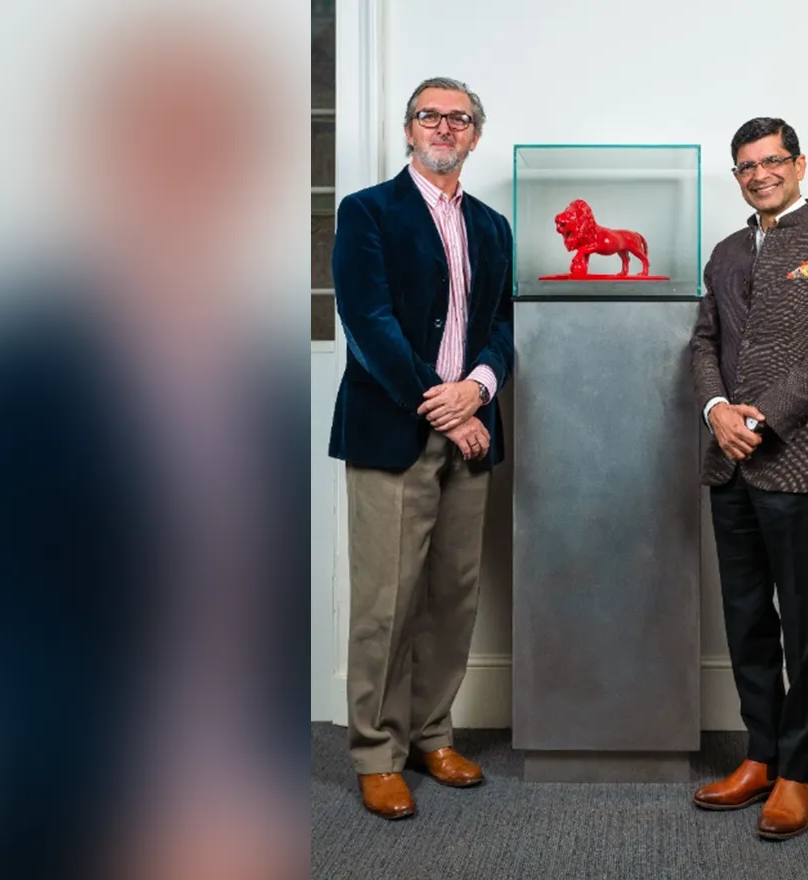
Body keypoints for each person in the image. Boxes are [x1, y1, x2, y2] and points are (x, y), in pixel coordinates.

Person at [327, 76, 514, 821]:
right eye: (429, 116)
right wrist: (441, 404)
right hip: (394, 431)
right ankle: (377, 751)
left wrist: (481, 387)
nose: (444, 126)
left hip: (471, 431)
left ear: (474, 135)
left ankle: (433, 733)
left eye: (458, 118)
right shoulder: (367, 212)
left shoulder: (494, 225)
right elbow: (368, 321)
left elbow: (501, 322)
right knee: (385, 601)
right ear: (409, 129)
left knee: (451, 596)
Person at [688, 117, 808, 840]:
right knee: (745, 618)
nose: (759, 174)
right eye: (746, 166)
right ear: (737, 176)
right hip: (727, 458)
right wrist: (715, 411)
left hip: (798, 457)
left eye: (772, 161)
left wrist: (759, 418)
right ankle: (760, 757)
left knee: (805, 622)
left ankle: (800, 774)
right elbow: (704, 340)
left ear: (799, 165)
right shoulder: (726, 252)